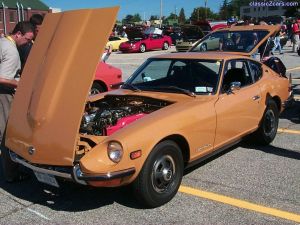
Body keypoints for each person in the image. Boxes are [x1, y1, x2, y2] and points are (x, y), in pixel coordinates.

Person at [0, 21, 34, 181]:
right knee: (7, 135)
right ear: (18, 34)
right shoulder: (12, 51)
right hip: (3, 95)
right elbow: (2, 78)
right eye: (27, 39)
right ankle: (11, 175)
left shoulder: (2, 41)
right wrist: (20, 83)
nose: (28, 43)